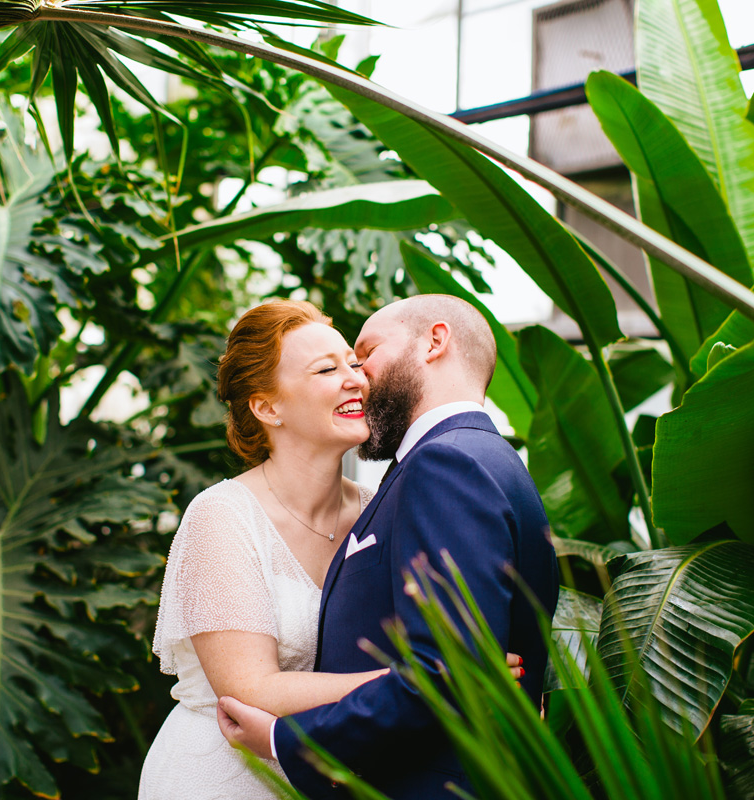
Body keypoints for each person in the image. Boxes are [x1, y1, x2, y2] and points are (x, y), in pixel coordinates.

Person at [217, 294, 560, 799]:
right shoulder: (490, 460)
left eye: (365, 352)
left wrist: (282, 740)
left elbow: (447, 677)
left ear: (434, 342)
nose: (358, 376)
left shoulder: (446, 464)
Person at [138, 300, 386, 799]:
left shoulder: (377, 509)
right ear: (267, 407)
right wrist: (426, 683)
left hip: (328, 773)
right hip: (223, 776)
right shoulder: (223, 516)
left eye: (354, 364)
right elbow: (250, 690)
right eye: (326, 369)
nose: (354, 379)